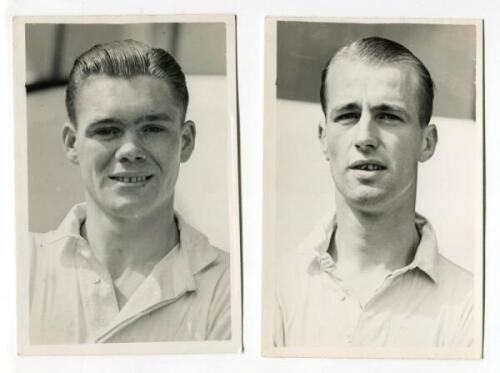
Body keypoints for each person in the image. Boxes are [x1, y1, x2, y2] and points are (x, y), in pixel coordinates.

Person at [274, 37, 473, 348]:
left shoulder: (473, 307)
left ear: (428, 142)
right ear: (324, 138)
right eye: (348, 115)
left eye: (389, 116)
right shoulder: (272, 289)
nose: (365, 137)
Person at [29, 40, 231, 344]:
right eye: (107, 130)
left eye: (152, 128)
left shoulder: (231, 287)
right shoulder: (20, 265)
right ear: (72, 144)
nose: (130, 150)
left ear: (186, 141)